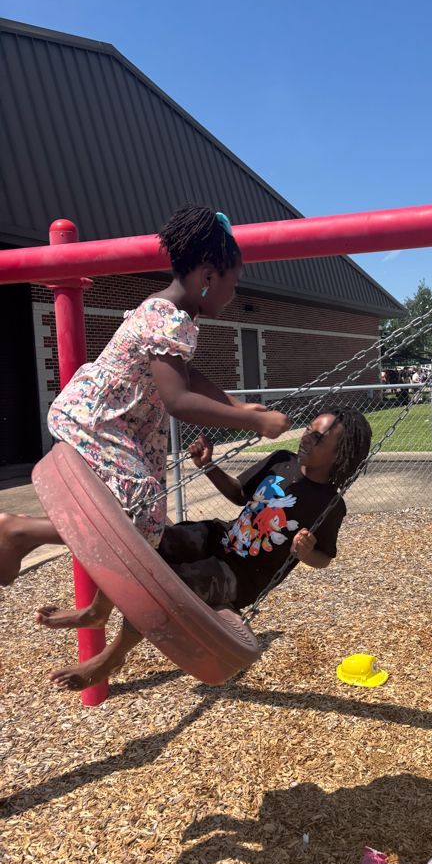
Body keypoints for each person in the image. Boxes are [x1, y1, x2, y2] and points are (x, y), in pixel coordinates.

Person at [0, 205, 290, 589]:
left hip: (131, 425)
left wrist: (235, 404)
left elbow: (188, 374)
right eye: (233, 283)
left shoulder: (176, 315)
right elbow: (179, 400)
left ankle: (101, 598)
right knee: (142, 513)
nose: (234, 294)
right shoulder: (167, 316)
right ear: (207, 276)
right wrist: (253, 421)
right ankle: (20, 531)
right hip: (98, 418)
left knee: (149, 523)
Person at [42, 407, 373, 690]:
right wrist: (208, 466)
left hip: (240, 576)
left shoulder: (329, 503)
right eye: (309, 430)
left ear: (339, 454)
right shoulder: (281, 461)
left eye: (318, 439)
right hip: (220, 538)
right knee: (146, 538)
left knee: (169, 588)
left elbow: (324, 558)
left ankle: (110, 660)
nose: (306, 438)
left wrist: (305, 553)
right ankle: (97, 611)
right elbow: (239, 494)